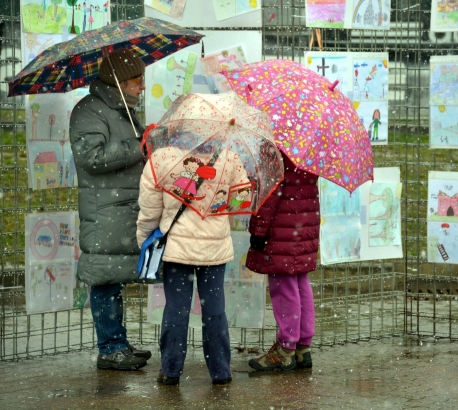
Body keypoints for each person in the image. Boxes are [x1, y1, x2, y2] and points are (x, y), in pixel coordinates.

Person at [137, 148, 249, 386]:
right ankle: (220, 371)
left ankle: (170, 369)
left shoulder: (163, 158)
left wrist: (144, 239)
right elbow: (242, 199)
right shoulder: (230, 156)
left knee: (176, 308)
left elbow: (150, 208)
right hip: (214, 249)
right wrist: (218, 204)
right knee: (215, 308)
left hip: (177, 247)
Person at [69, 48, 151, 370]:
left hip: (120, 207)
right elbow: (91, 157)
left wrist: (144, 139)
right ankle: (110, 348)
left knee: (114, 279)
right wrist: (138, 146)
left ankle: (118, 341)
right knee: (104, 281)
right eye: (136, 81)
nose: (142, 87)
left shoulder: (122, 109)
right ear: (118, 82)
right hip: (104, 210)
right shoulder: (90, 111)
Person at [246, 150, 320, 371]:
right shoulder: (308, 147)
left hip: (281, 229)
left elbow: (269, 195)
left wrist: (258, 230)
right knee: (299, 282)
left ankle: (285, 349)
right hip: (303, 227)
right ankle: (302, 347)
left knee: (283, 287)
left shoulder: (274, 148)